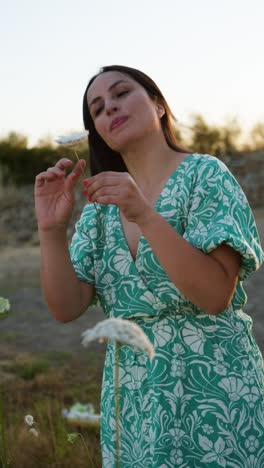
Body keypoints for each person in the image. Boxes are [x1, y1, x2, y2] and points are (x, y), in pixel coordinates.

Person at [35, 65, 264, 467]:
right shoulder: (100, 210)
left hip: (216, 390)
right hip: (135, 400)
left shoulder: (206, 176)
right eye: (98, 108)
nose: (110, 108)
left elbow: (214, 296)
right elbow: (65, 308)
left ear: (158, 105)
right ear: (97, 131)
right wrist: (51, 230)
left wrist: (144, 213)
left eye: (122, 93)